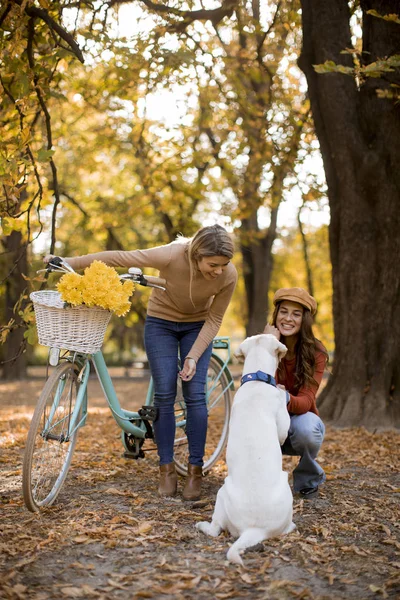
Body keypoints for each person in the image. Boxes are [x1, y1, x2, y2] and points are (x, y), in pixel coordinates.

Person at [45, 225, 237, 501]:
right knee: (165, 392)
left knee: (195, 395)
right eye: (213, 264)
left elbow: (215, 319)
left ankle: (195, 469)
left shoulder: (228, 275)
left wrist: (193, 355)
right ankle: (166, 468)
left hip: (198, 326)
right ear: (196, 255)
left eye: (224, 264)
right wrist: (68, 263)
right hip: (162, 323)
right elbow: (121, 257)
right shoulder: (171, 255)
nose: (219, 270)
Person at [264, 287, 328, 499]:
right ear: (276, 314)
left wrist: (282, 397)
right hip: (267, 420)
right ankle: (262, 479)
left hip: (297, 419)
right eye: (283, 312)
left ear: (305, 319)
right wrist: (267, 345)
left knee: (308, 428)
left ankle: (307, 481)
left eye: (296, 314)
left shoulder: (316, 352)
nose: (288, 318)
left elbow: (307, 401)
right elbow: (257, 389)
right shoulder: (265, 344)